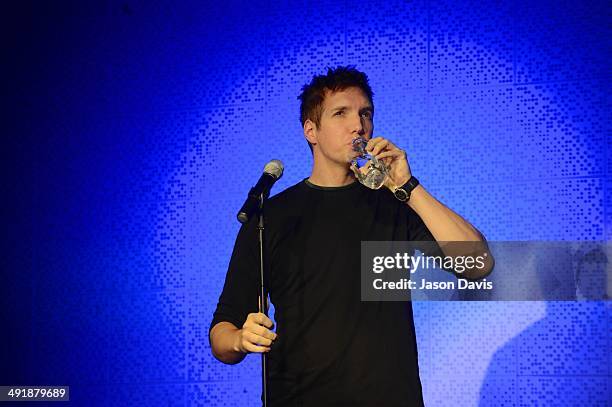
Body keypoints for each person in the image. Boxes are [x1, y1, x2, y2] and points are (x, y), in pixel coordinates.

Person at [209, 66, 493, 406]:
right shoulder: (271, 217)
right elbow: (221, 334)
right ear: (311, 130)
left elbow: (477, 263)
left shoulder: (394, 204)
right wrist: (241, 339)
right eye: (341, 113)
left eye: (365, 114)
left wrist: (407, 186)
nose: (358, 125)